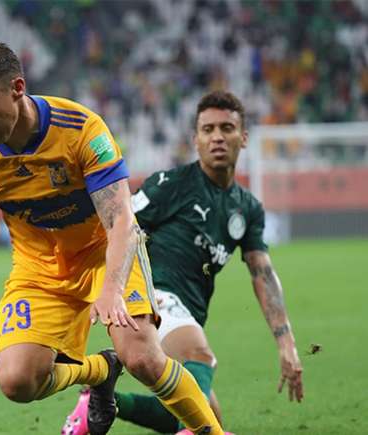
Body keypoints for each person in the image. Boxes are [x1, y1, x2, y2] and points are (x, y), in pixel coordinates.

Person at [0, 39, 224, 435]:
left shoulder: (81, 130)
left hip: (104, 252)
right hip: (37, 267)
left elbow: (121, 219)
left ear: (17, 88)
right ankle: (101, 371)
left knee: (143, 359)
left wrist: (112, 289)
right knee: (17, 382)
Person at [62, 91, 304, 435]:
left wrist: (286, 344)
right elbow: (116, 228)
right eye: (208, 129)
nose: (217, 137)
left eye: (227, 128)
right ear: (196, 140)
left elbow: (262, 273)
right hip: (151, 294)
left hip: (189, 310)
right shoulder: (172, 185)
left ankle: (98, 404)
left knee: (199, 413)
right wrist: (109, 289)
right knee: (200, 357)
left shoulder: (247, 208)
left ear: (244, 137)